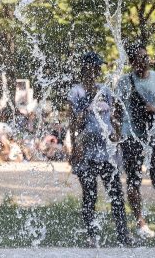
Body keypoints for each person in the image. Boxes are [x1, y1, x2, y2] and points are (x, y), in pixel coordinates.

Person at [67, 51, 131, 247]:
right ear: (87, 67)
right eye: (95, 66)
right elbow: (72, 122)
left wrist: (117, 134)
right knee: (90, 195)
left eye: (98, 67)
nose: (97, 70)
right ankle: (91, 237)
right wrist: (74, 146)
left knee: (116, 195)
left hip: (107, 153)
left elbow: (112, 117)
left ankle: (123, 236)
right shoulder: (76, 92)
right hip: (86, 152)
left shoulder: (105, 90)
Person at [116, 43, 155, 239]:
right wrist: (117, 133)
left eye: (146, 56)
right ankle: (141, 224)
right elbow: (116, 111)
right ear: (133, 62)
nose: (146, 60)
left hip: (153, 135)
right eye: (141, 58)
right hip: (131, 136)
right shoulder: (124, 82)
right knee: (133, 181)